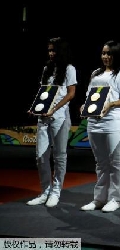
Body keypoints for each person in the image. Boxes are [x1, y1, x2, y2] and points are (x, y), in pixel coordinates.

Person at [80, 40, 120, 213]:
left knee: (115, 161)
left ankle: (115, 199)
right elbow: (90, 96)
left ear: (116, 55)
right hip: (94, 123)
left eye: (109, 53)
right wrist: (84, 106)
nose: (105, 56)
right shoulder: (95, 74)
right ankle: (99, 199)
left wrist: (111, 104)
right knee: (101, 163)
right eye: (103, 53)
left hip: (114, 123)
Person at [27, 37, 77, 208]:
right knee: (41, 156)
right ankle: (45, 191)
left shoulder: (70, 69)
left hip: (60, 116)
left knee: (59, 156)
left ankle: (56, 192)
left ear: (61, 51)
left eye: (54, 50)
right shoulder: (47, 68)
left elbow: (71, 94)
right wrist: (36, 108)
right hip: (44, 118)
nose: (51, 53)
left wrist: (54, 109)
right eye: (49, 50)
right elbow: (43, 92)